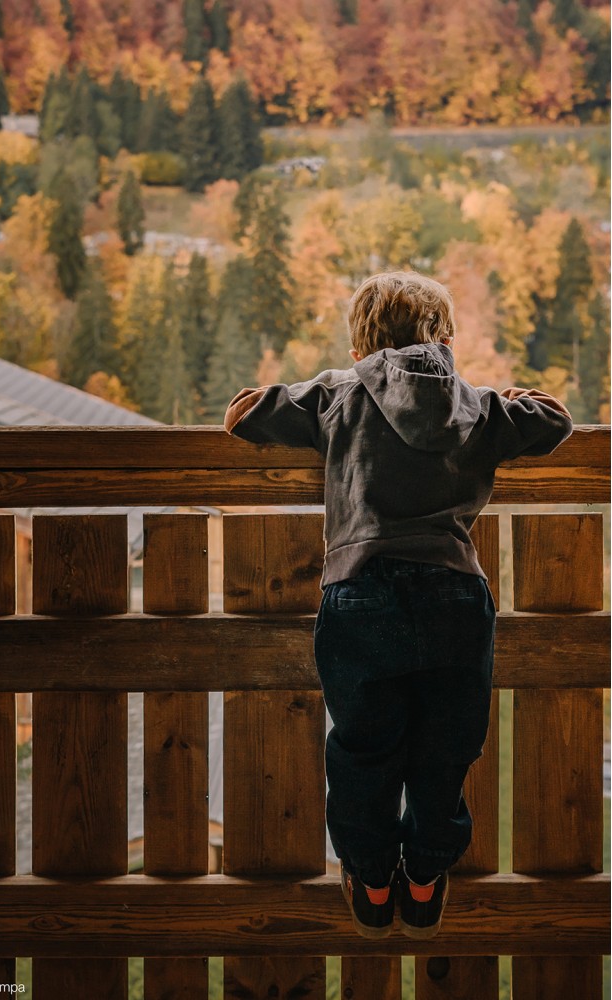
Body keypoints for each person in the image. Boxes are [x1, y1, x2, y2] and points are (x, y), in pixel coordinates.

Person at [223, 270, 572, 940]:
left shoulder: (337, 393)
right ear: (442, 340)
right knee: (446, 750)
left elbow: (246, 415)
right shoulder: (476, 405)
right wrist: (521, 397)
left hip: (361, 592)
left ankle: (374, 878)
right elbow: (552, 422)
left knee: (362, 749)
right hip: (452, 595)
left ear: (360, 347)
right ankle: (425, 873)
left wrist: (284, 393)